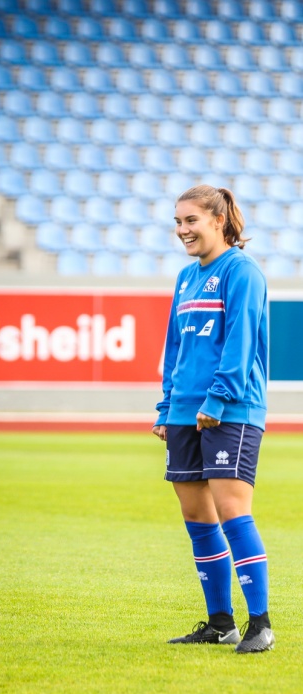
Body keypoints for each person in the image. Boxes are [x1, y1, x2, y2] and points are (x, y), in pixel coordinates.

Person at [153, 185, 273, 653]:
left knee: (232, 513)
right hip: (185, 412)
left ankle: (260, 624)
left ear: (218, 221)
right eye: (178, 222)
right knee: (196, 518)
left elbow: (240, 343)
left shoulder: (242, 271)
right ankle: (220, 623)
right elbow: (175, 349)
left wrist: (217, 400)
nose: (183, 230)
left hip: (231, 410)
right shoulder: (186, 278)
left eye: (191, 220)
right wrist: (167, 407)